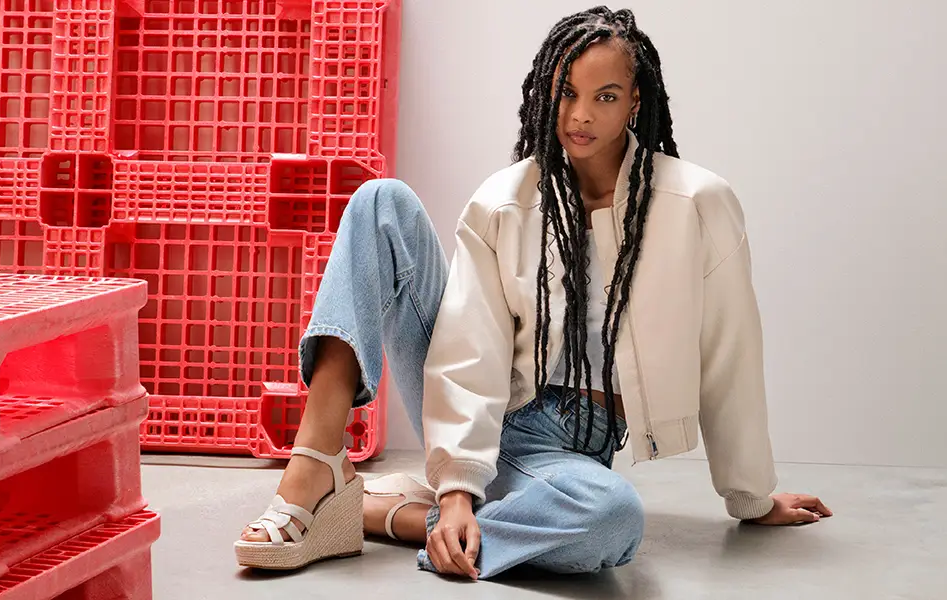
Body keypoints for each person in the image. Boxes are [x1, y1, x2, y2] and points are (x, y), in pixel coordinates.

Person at [234, 6, 832, 579]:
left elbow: (731, 352)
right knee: (380, 202)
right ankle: (313, 471)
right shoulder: (505, 201)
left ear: (636, 101)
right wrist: (463, 481)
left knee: (612, 518)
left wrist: (751, 496)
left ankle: (407, 518)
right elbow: (469, 347)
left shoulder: (697, 205)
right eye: (566, 92)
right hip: (483, 406)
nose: (580, 116)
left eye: (605, 97)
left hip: (562, 454)